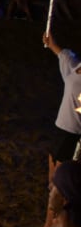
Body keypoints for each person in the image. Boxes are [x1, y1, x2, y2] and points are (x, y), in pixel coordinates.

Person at [43, 32, 81, 185]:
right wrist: (53, 45)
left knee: (61, 180)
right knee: (53, 173)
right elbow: (67, 59)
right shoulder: (76, 67)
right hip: (61, 129)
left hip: (73, 134)